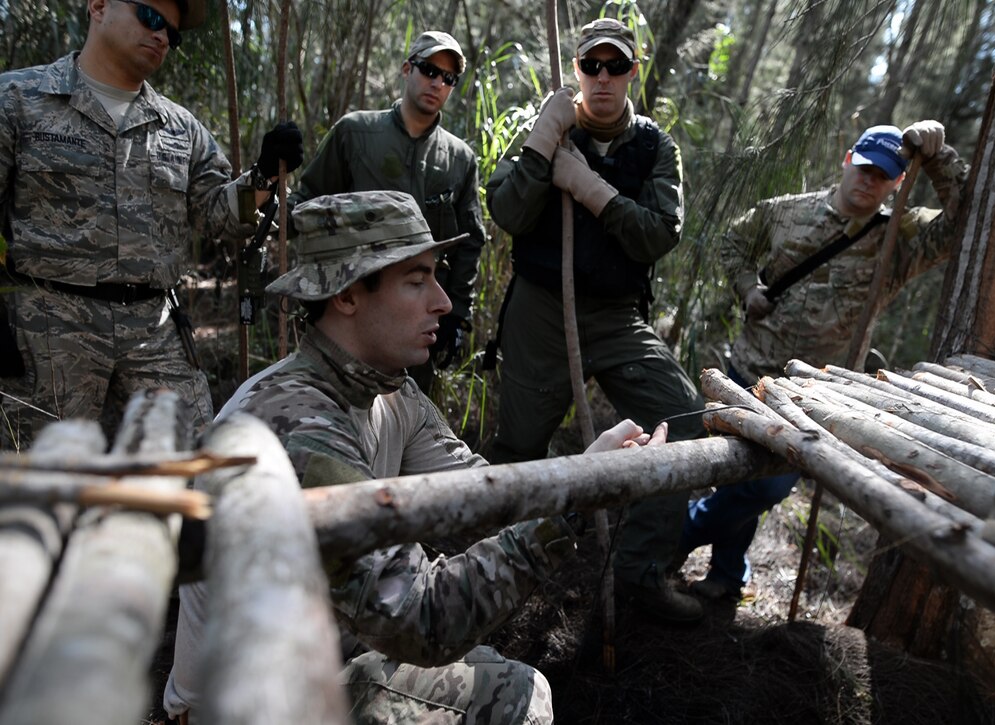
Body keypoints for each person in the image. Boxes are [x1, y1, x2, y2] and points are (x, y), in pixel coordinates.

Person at [165, 190, 668, 724]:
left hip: (327, 664)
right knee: (517, 701)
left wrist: (590, 470)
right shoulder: (291, 426)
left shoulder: (388, 392)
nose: (443, 301)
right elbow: (422, 620)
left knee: (510, 686)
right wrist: (574, 502)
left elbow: (488, 491)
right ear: (347, 296)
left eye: (436, 275)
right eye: (416, 280)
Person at [678, 122, 970, 610]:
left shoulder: (900, 236)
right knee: (742, 478)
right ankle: (727, 574)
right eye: (864, 167)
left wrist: (940, 157)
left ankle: (676, 534)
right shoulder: (785, 211)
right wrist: (747, 288)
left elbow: (963, 220)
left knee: (765, 485)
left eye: (884, 175)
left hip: (814, 399)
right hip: (748, 373)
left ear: (898, 182)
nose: (870, 180)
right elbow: (733, 242)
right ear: (847, 157)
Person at [0, 0, 303, 449]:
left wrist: (261, 175)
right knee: (45, 482)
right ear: (99, 6)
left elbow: (219, 214)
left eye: (173, 33)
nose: (162, 36)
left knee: (190, 465)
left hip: (154, 330)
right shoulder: (19, 99)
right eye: (152, 18)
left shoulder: (181, 128)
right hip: (48, 333)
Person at [484, 18, 705, 624]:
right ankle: (490, 573)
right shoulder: (550, 124)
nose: (602, 78)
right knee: (519, 445)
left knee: (681, 417)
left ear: (633, 72)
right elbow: (505, 208)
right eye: (591, 66)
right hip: (541, 310)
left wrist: (588, 186)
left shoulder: (656, 146)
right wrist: (541, 143)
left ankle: (639, 574)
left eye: (616, 66)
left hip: (614, 315)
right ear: (578, 69)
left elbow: (658, 235)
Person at [291, 30, 486, 392]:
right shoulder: (356, 133)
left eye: (448, 78)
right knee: (333, 411)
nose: (437, 83)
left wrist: (457, 316)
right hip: (351, 317)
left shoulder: (460, 159)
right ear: (406, 69)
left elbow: (470, 242)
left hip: (418, 323)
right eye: (429, 70)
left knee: (408, 423)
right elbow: (305, 209)